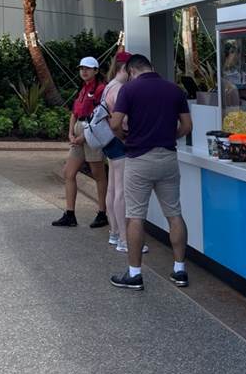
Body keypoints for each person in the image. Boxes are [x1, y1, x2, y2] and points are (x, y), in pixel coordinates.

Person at [108, 53, 192, 290]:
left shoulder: (130, 90)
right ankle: (180, 270)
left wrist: (125, 138)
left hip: (139, 159)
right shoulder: (174, 89)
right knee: (174, 213)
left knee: (135, 216)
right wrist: (167, 137)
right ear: (151, 67)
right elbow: (187, 126)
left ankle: (134, 274)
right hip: (168, 157)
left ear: (131, 71)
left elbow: (115, 123)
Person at [52, 57, 109, 228]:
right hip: (79, 131)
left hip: (91, 133)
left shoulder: (101, 89)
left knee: (98, 173)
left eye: (88, 68)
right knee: (69, 172)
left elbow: (100, 116)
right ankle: (70, 214)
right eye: (82, 68)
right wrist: (70, 132)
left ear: (96, 70)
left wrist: (83, 136)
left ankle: (102, 212)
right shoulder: (82, 89)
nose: (84, 71)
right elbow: (74, 113)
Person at [100, 51, 138, 251]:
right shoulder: (121, 89)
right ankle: (125, 239)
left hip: (108, 142)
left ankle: (114, 233)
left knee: (112, 188)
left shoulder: (108, 87)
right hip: (119, 139)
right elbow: (122, 120)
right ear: (127, 68)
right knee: (121, 191)